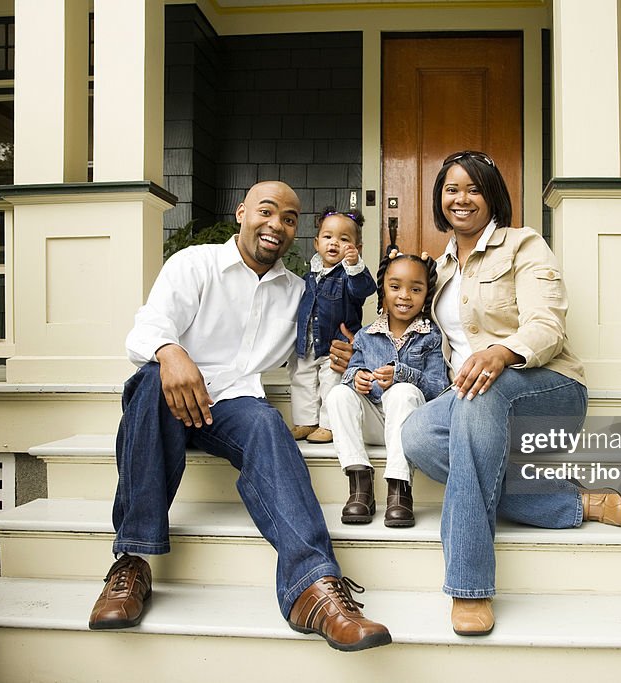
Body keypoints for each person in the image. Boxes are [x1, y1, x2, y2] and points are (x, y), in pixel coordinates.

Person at [328, 151, 621, 637]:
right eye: (451, 189)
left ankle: (470, 587)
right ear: (439, 198)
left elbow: (547, 325)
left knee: (478, 391)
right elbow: (411, 330)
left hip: (546, 390)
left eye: (473, 188)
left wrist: (502, 353)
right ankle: (573, 505)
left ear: (492, 195)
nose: (461, 198)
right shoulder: (439, 268)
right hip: (471, 398)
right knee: (418, 434)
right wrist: (357, 354)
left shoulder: (524, 246)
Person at [87, 181, 391, 653]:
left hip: (230, 409)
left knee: (268, 424)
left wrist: (344, 351)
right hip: (167, 402)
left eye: (289, 219)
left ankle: (314, 589)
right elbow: (147, 329)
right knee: (150, 376)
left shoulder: (298, 293)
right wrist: (172, 352)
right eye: (266, 212)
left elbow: (326, 335)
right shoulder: (195, 264)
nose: (276, 225)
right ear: (242, 212)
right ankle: (132, 560)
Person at [327, 248, 448, 527]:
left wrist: (402, 374)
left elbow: (438, 387)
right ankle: (360, 485)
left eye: (415, 289)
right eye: (395, 287)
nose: (404, 296)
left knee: (402, 391)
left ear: (426, 294)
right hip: (374, 423)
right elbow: (352, 369)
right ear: (383, 289)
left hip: (408, 424)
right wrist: (356, 378)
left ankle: (399, 490)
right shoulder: (366, 336)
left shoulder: (431, 337)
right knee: (338, 394)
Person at [289, 207, 377, 444]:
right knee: (302, 380)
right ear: (317, 243)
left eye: (344, 239)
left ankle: (329, 424)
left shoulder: (349, 276)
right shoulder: (310, 276)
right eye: (328, 237)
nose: (334, 243)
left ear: (357, 248)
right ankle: (306, 421)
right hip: (308, 342)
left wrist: (355, 264)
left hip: (335, 345)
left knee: (331, 383)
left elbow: (365, 289)